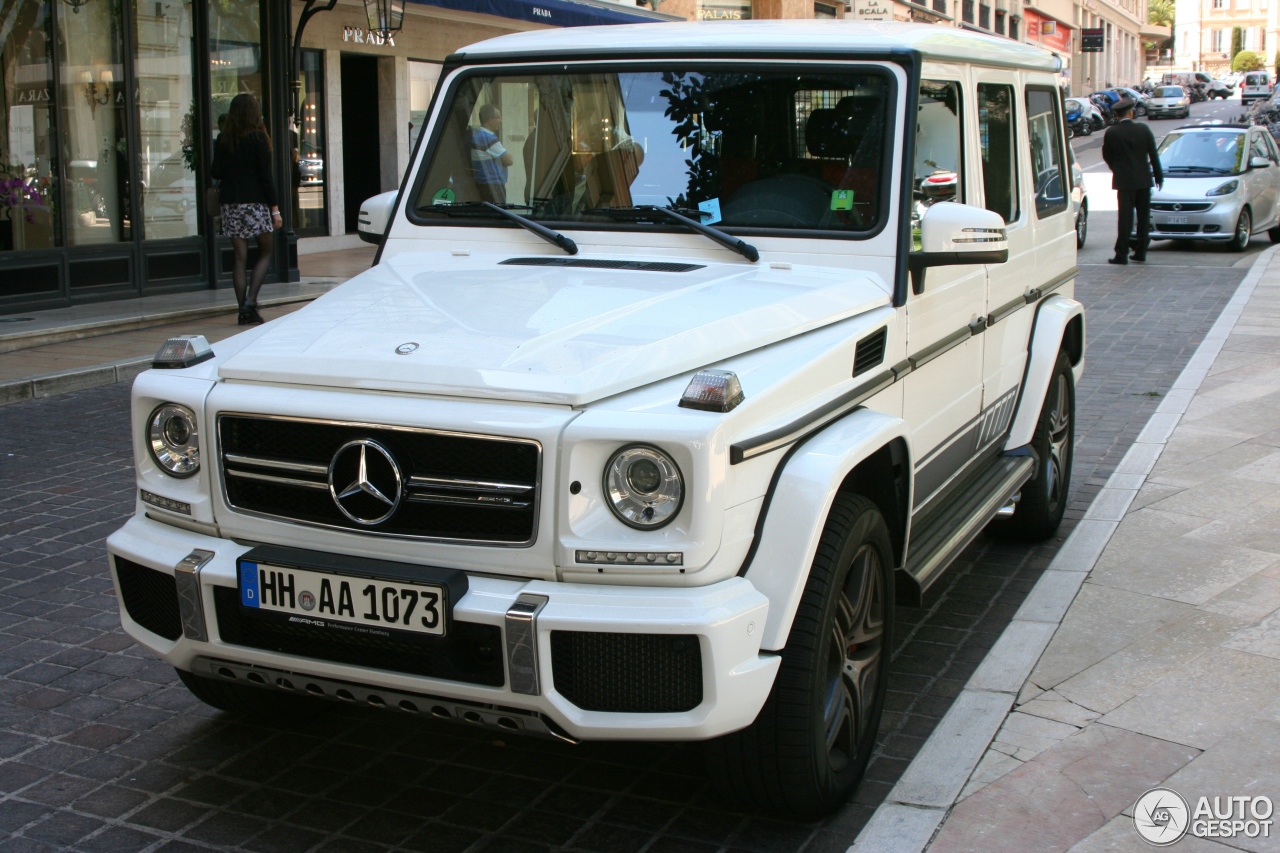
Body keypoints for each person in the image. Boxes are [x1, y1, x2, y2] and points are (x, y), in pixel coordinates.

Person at [210, 93, 280, 324]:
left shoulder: (223, 139)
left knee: (239, 258)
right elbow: (265, 177)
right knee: (266, 251)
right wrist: (275, 209)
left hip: (231, 205)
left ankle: (243, 310)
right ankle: (251, 301)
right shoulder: (259, 138)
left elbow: (216, 172)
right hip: (255, 204)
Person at [1101, 97, 1162, 265]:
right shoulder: (1143, 129)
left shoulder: (1112, 132)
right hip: (1143, 179)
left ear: (1118, 114)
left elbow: (1107, 155)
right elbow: (1153, 154)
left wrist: (1117, 169)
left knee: (1125, 218)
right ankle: (1141, 252)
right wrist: (1158, 176)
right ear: (1130, 112)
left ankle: (1122, 254)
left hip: (1124, 181)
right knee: (1143, 217)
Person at [470, 104, 513, 204]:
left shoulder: (478, 135)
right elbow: (509, 160)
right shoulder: (487, 138)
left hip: (484, 185)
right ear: (490, 120)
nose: (500, 121)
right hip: (492, 187)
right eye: (498, 117)